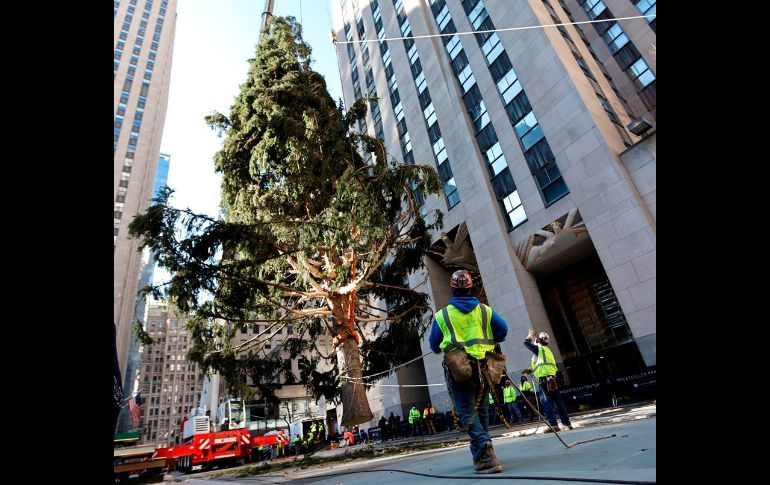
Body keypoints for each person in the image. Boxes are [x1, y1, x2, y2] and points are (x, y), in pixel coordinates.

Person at [429, 269, 507, 474]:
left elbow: (434, 345)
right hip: (484, 368)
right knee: (481, 411)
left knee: (466, 413)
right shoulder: (485, 311)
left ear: (452, 289)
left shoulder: (443, 315)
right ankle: (481, 454)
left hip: (460, 370)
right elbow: (503, 330)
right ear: (471, 288)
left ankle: (486, 452)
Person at [524, 329, 572, 432]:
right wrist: (531, 370)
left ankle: (553, 425)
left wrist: (530, 335)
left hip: (544, 380)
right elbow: (542, 364)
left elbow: (526, 343)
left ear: (539, 341)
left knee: (547, 402)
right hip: (553, 378)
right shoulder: (548, 351)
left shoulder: (539, 349)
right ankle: (567, 423)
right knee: (558, 402)